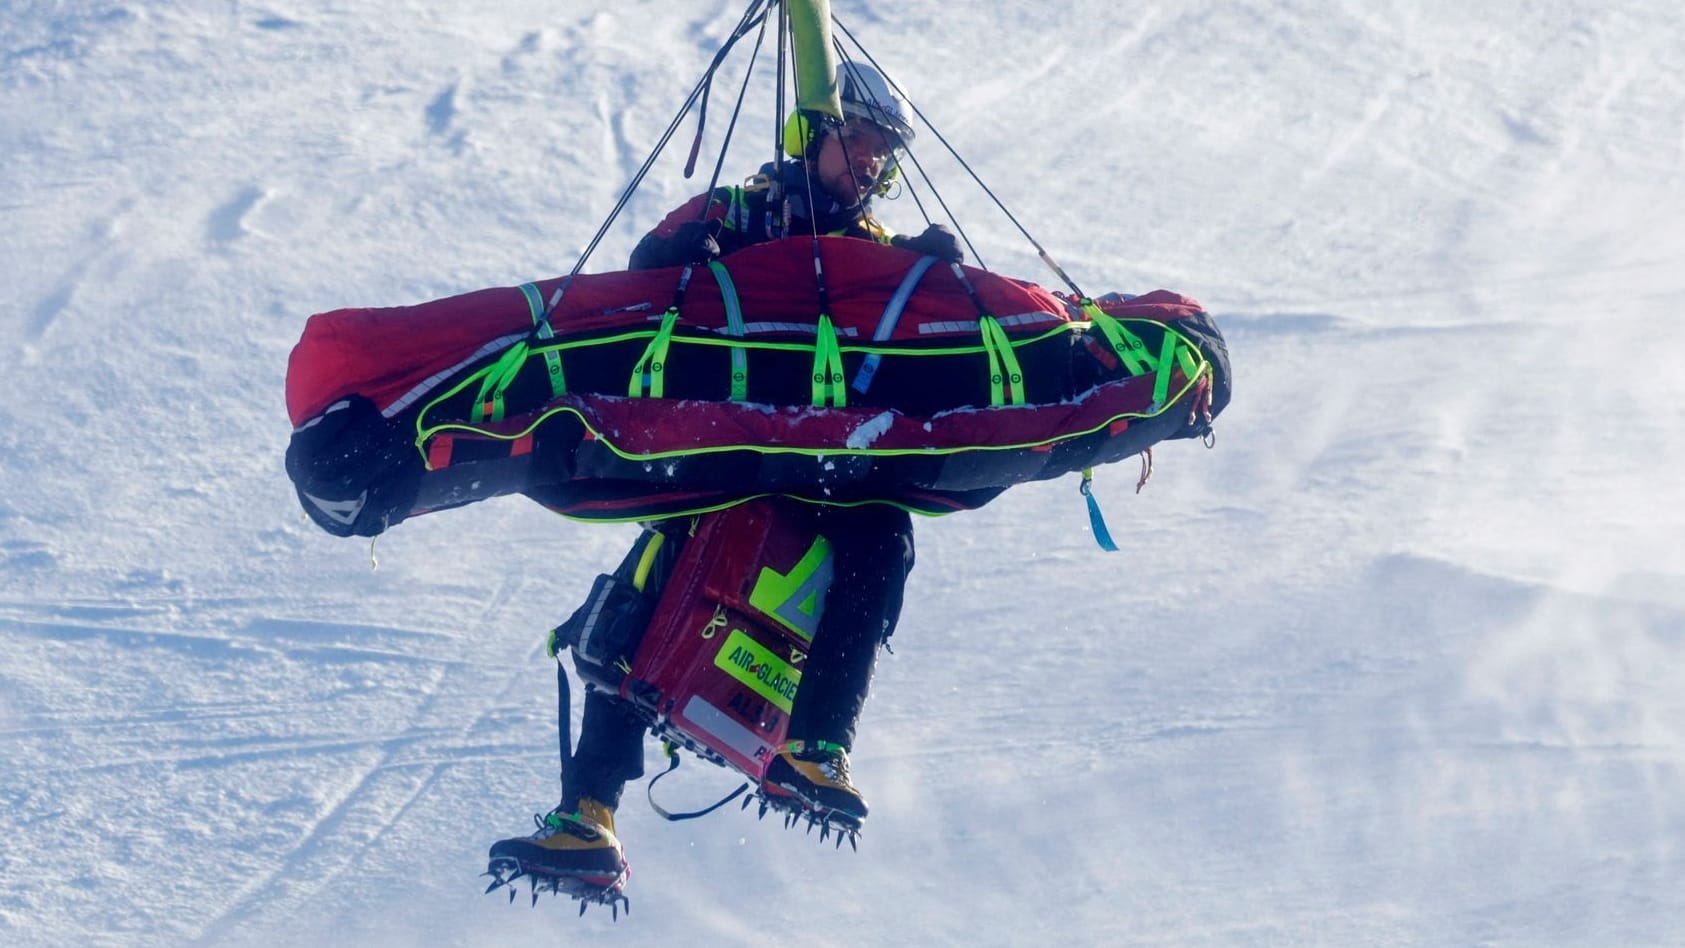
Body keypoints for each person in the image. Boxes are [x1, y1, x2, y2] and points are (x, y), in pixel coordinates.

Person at [487, 61, 955, 902]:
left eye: (882, 153)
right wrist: (678, 255)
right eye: (858, 143)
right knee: (652, 588)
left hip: (829, 451)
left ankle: (817, 745)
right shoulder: (736, 212)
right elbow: (640, 275)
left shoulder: (878, 255)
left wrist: (934, 285)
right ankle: (585, 817)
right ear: (810, 135)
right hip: (733, 441)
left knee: (884, 540)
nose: (871, 167)